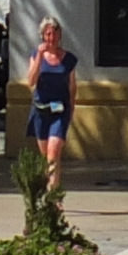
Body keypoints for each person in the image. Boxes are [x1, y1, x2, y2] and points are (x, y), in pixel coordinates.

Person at [25, 19, 79, 180]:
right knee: (46, 157)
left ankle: (53, 193)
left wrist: (71, 108)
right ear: (43, 36)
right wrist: (40, 56)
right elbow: (31, 81)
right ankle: (51, 187)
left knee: (53, 152)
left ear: (60, 35)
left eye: (55, 34)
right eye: (48, 34)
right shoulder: (36, 56)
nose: (52, 38)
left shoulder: (69, 60)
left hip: (60, 111)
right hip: (41, 111)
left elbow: (72, 87)